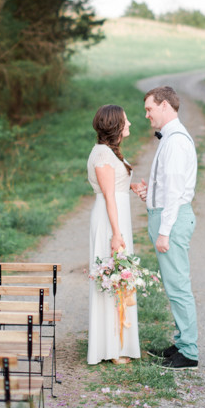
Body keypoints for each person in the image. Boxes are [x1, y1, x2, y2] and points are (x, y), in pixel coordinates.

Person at [135, 86, 198, 369]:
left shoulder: (175, 141)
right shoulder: (171, 138)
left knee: (179, 287)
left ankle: (189, 352)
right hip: (167, 215)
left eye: (149, 109)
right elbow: (169, 186)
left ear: (164, 105)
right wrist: (150, 194)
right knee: (174, 286)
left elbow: (174, 193)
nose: (146, 115)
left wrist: (164, 231)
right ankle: (182, 343)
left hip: (171, 221)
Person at [87, 104, 141, 365]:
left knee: (119, 278)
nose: (129, 123)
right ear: (115, 125)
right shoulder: (102, 155)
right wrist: (116, 234)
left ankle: (119, 343)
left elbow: (113, 186)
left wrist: (130, 186)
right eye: (125, 120)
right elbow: (108, 196)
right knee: (112, 279)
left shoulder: (109, 152)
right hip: (110, 222)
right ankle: (111, 348)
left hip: (116, 217)